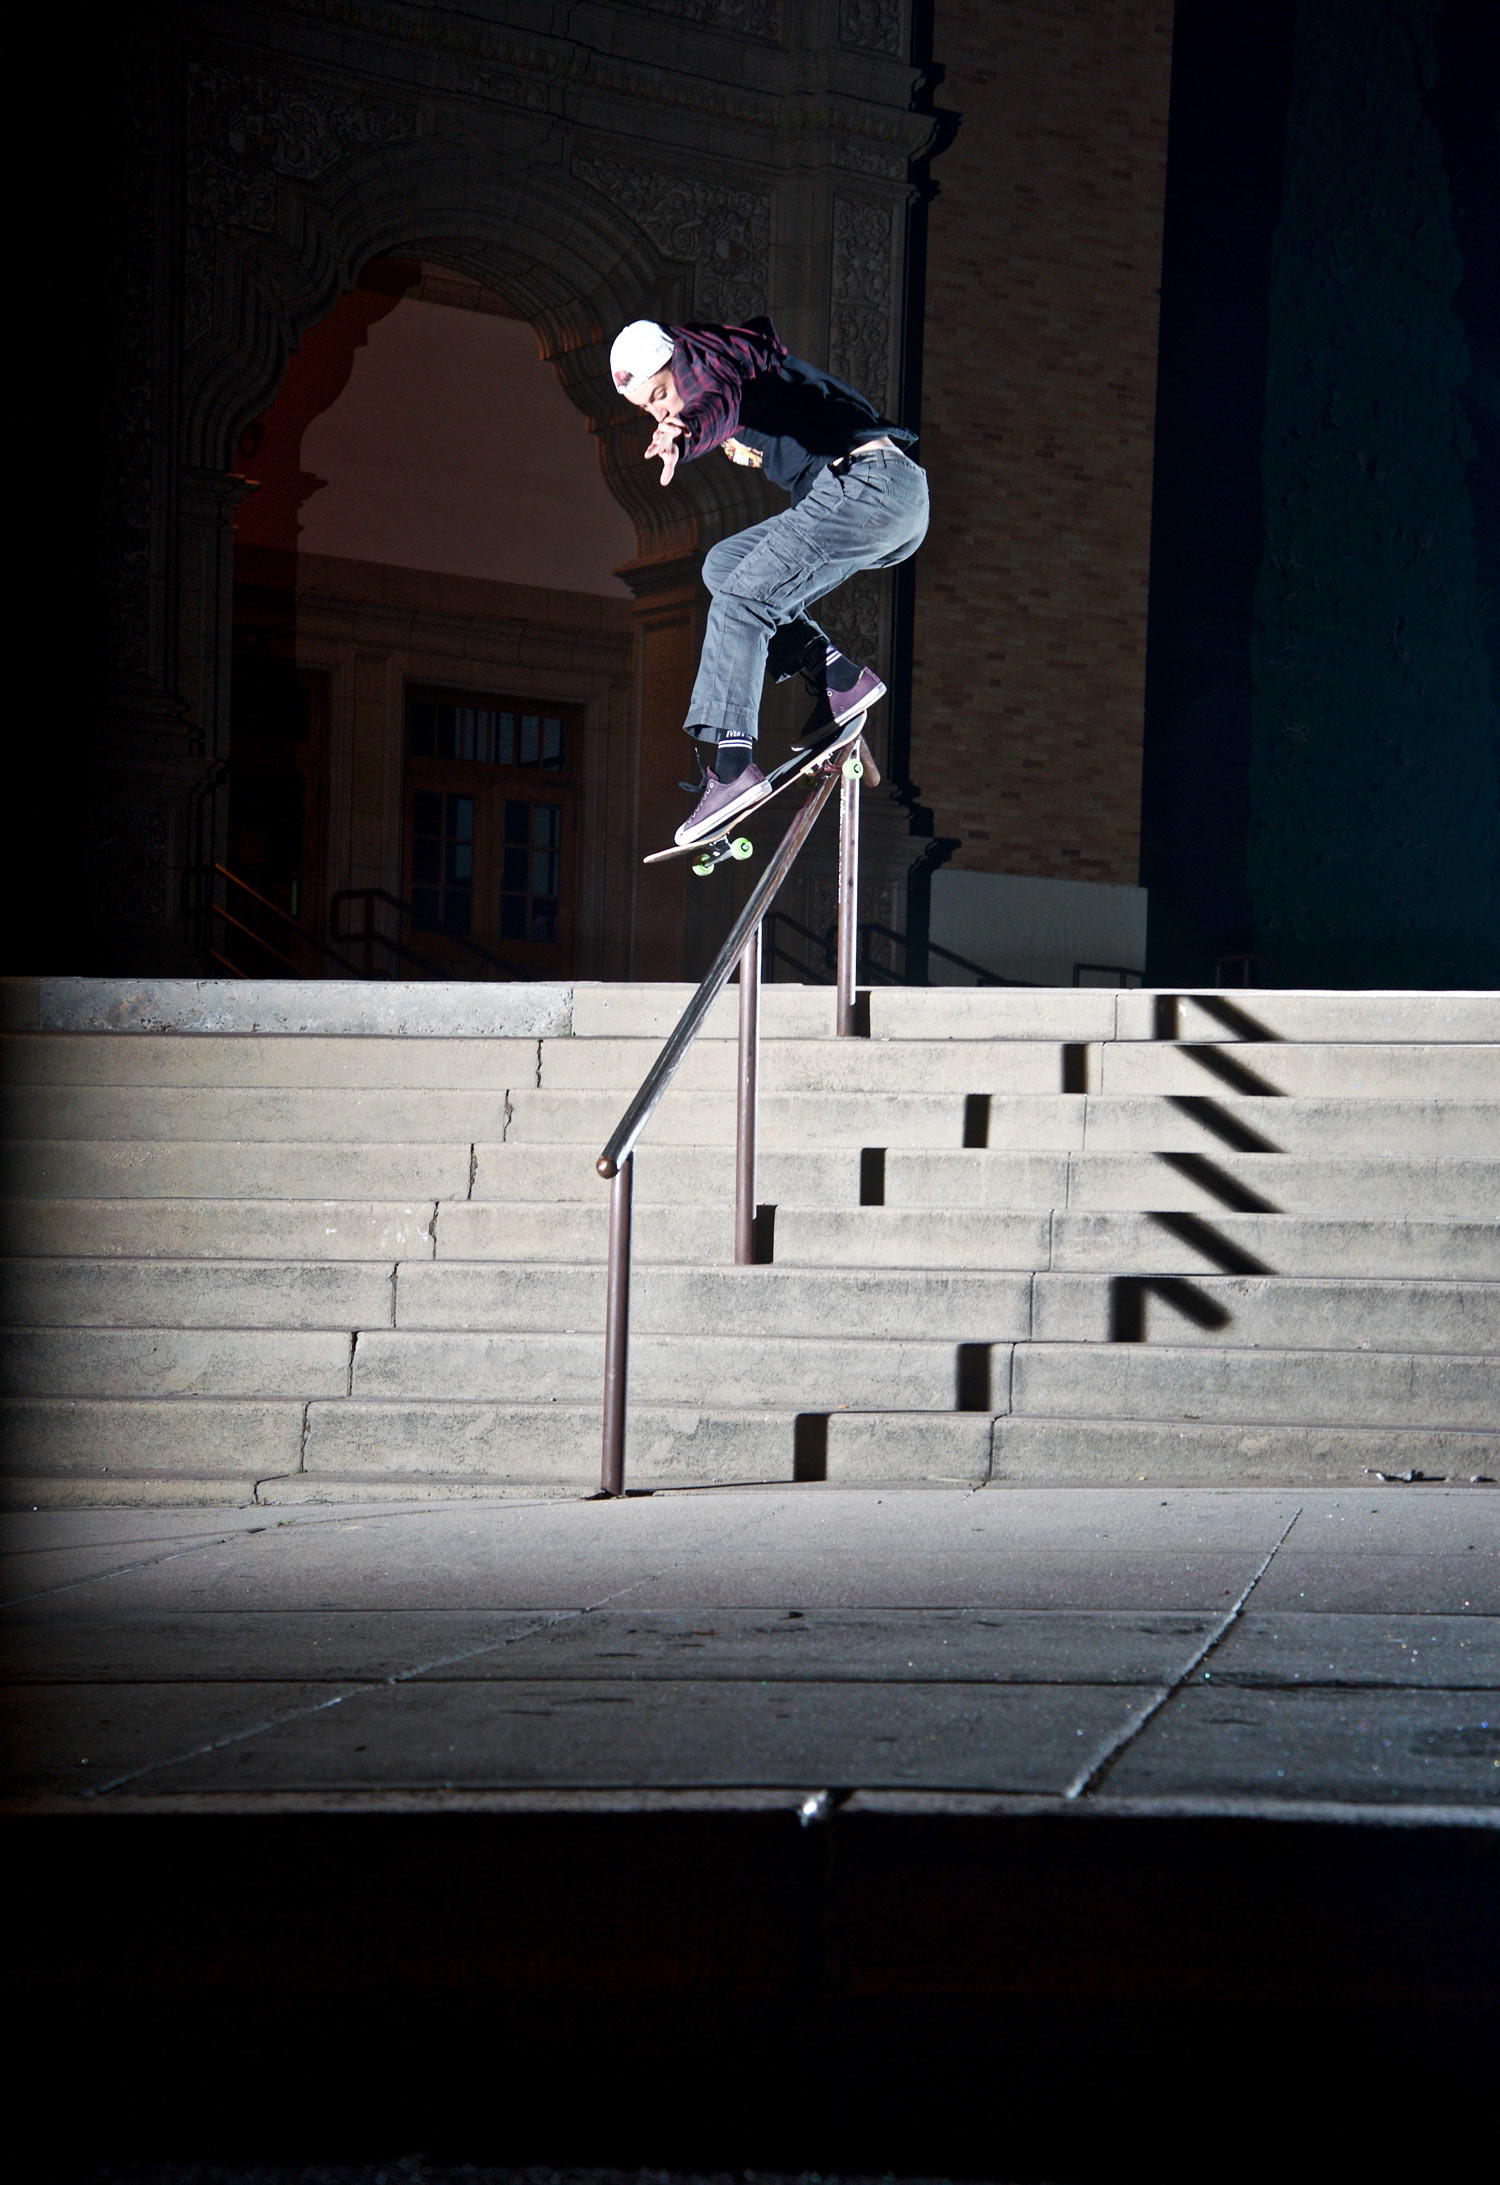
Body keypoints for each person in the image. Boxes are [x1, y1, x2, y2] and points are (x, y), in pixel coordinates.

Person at [609, 316, 929, 846]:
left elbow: (715, 406)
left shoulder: (723, 380)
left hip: (867, 488)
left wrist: (685, 435)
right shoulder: (742, 373)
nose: (660, 411)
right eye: (649, 409)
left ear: (683, 367)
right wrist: (684, 424)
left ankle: (733, 769)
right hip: (880, 498)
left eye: (662, 394)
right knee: (725, 567)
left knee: (739, 600)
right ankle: (841, 679)